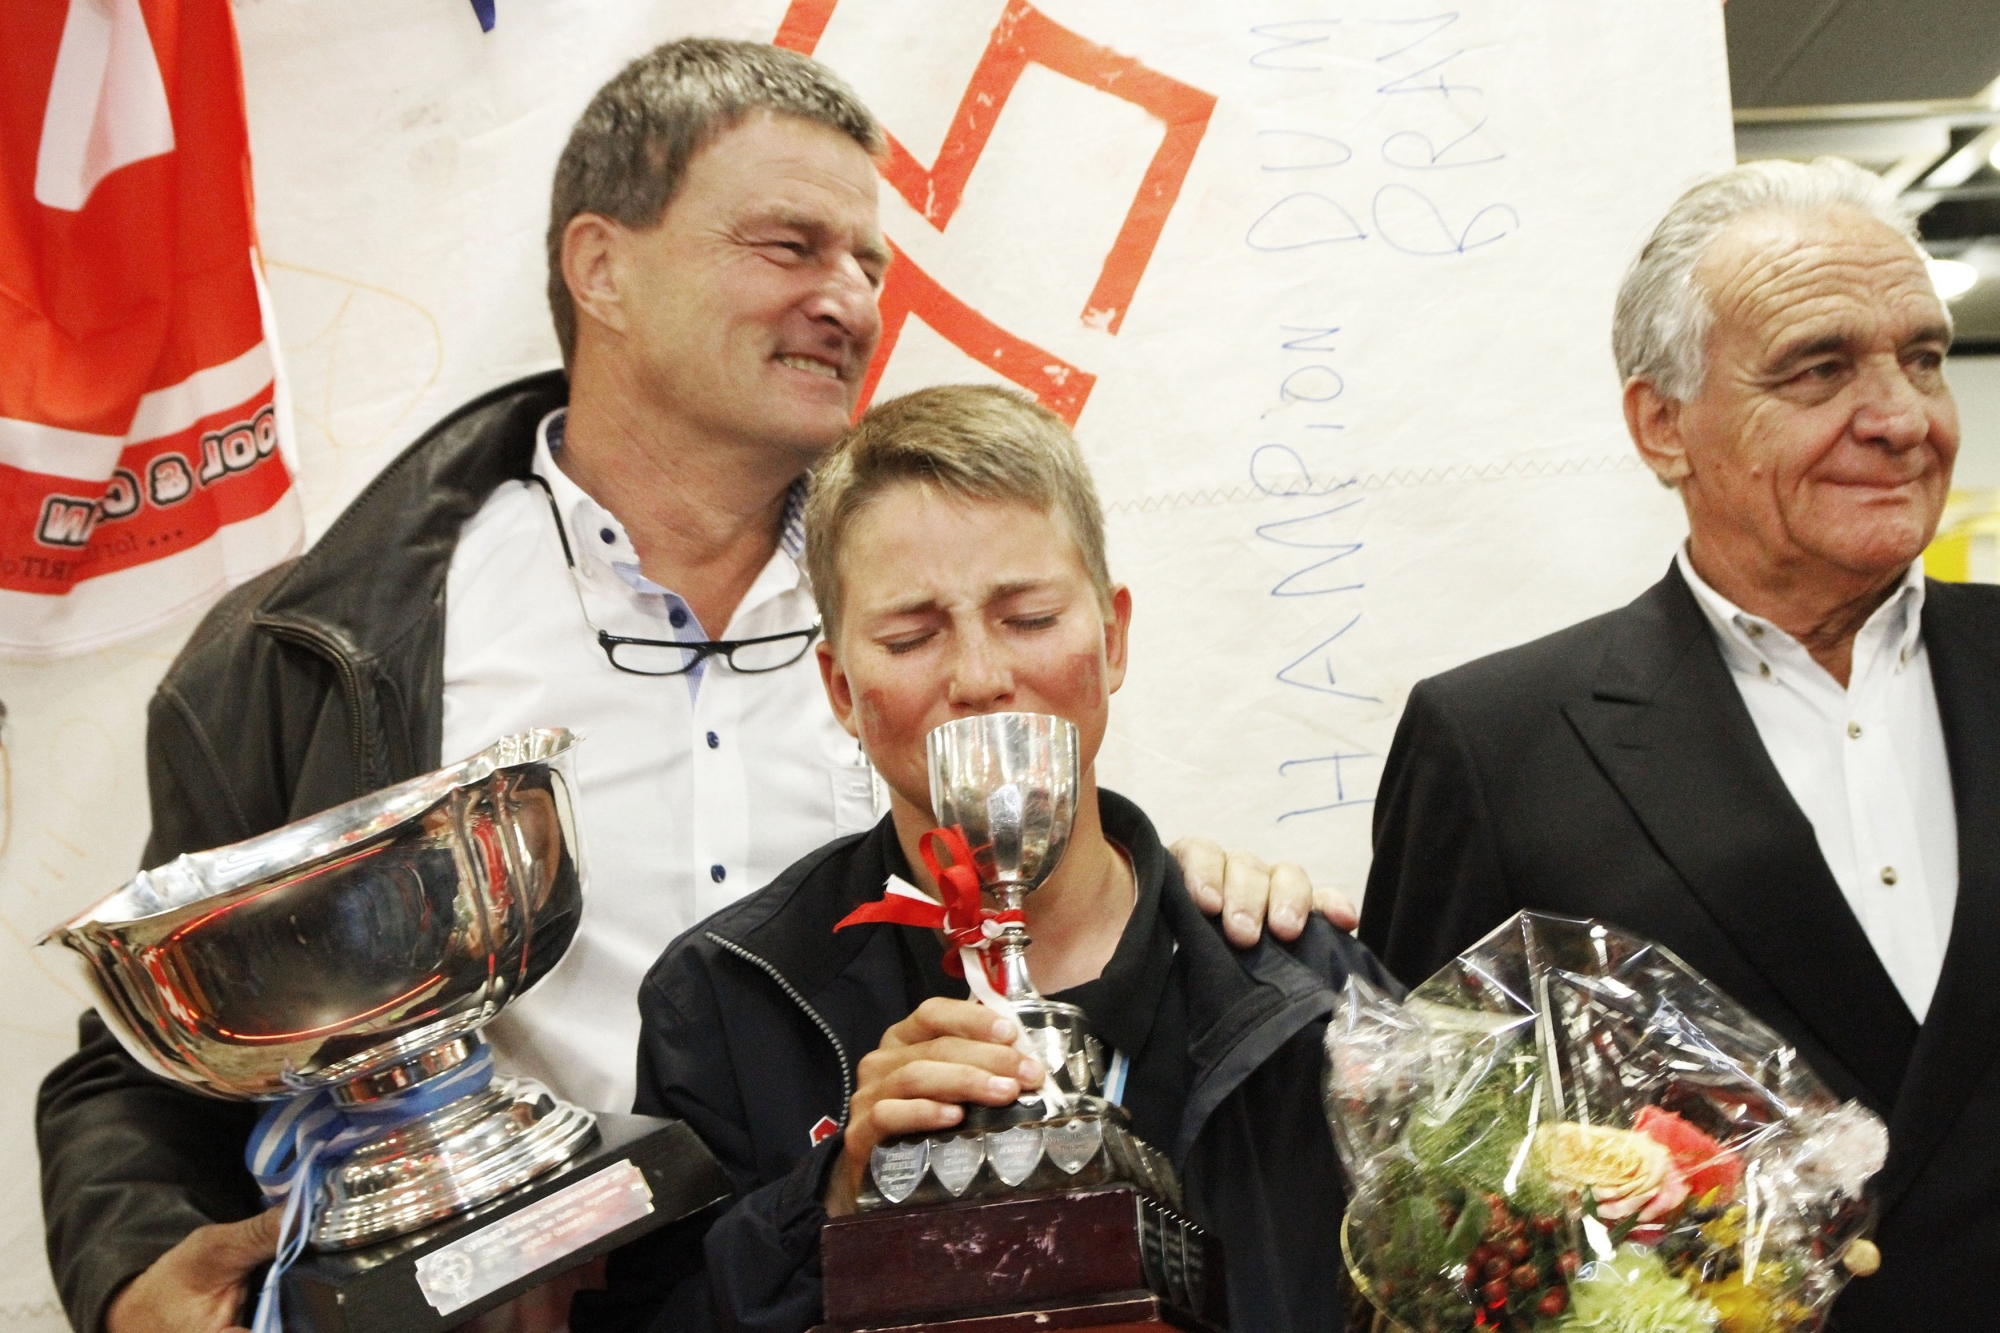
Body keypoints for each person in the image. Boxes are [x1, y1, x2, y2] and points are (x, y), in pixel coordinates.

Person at [37, 39, 1346, 1333]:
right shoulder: (326, 643)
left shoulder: (919, 608)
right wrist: (134, 1268)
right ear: (600, 265)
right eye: (790, 246)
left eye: (868, 264)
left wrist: (1200, 904)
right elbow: (161, 1053)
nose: (849, 297)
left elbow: (1043, 905)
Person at [1357, 156, 1998, 1330]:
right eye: (1819, 368)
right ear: (1662, 425)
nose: (1902, 417)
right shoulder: (1496, 745)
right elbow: (1419, 1208)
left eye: (1919, 357)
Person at [616, 384, 1398, 1333]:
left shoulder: (1302, 985)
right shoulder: (731, 1002)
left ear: (1111, 639)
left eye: (1028, 618)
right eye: (911, 636)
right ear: (840, 688)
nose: (981, 678)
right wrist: (832, 1200)